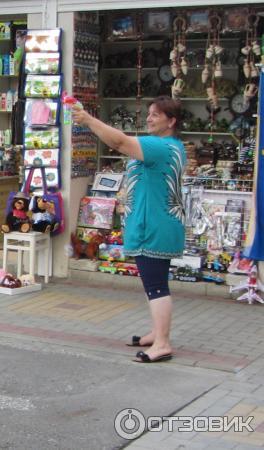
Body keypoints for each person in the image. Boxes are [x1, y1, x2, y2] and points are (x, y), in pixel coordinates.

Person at [72, 96, 186, 363]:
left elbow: (119, 142)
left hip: (154, 226)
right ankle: (157, 333)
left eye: (156, 115)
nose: (149, 118)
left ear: (171, 121)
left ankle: (163, 343)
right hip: (152, 224)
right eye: (148, 113)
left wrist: (87, 119)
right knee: (153, 283)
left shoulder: (162, 147)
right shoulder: (167, 146)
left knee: (157, 285)